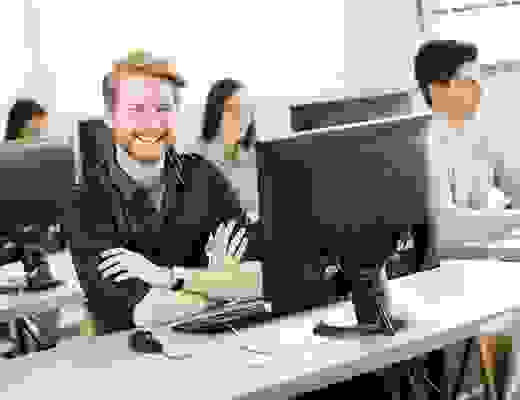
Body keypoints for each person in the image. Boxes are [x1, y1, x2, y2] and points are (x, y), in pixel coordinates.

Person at [67, 51, 261, 335]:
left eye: (163, 108)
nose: (151, 122)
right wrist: (219, 283)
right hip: (131, 356)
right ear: (109, 116)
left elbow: (260, 278)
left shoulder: (204, 177)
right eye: (137, 109)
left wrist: (166, 278)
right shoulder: (86, 202)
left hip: (218, 346)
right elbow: (148, 312)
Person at [414, 39, 520, 398]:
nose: (479, 89)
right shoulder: (428, 143)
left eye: (479, 80)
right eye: (467, 81)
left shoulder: (477, 133)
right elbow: (447, 230)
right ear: (437, 90)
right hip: (449, 268)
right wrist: (513, 220)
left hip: (486, 256)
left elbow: (512, 183)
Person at [1, 99, 59, 358]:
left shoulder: (42, 167)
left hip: (31, 256)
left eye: (42, 132)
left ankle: (43, 351)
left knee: (52, 308)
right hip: (7, 257)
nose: (40, 139)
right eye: (34, 132)